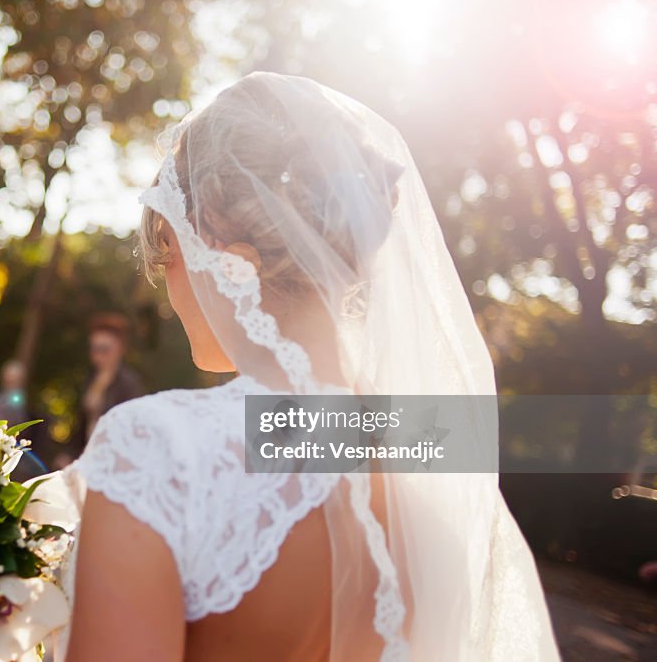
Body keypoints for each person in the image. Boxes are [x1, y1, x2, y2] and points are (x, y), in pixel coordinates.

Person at [32, 73, 559, 660]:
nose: (167, 291)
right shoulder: (434, 461)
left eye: (170, 253)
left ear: (232, 264)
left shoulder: (159, 449)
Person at [71, 314, 144, 455]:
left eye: (104, 349)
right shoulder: (91, 378)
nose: (98, 355)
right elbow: (82, 424)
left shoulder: (128, 384)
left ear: (120, 349)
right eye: (94, 348)